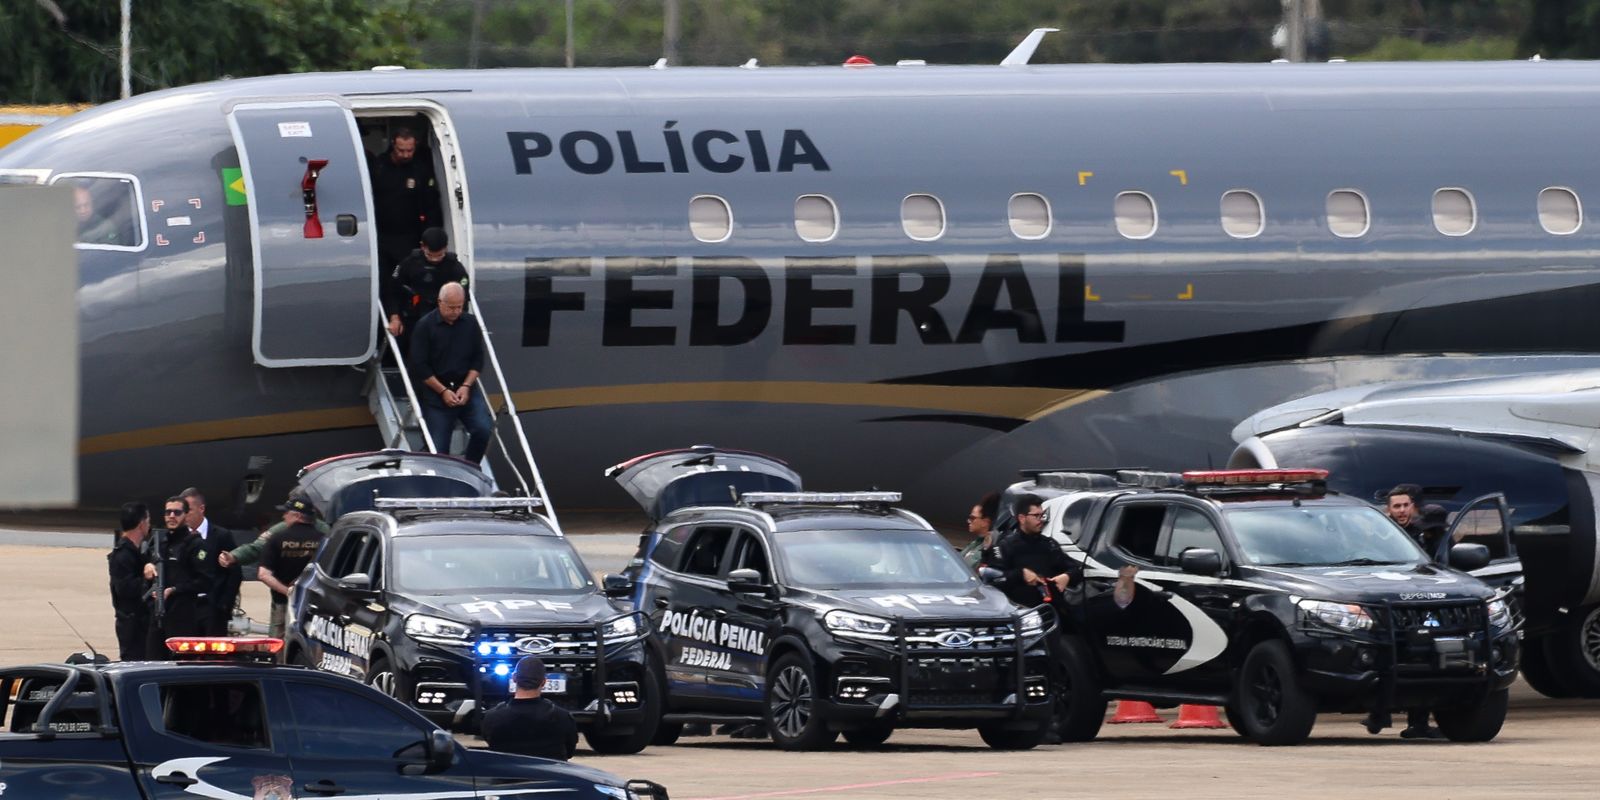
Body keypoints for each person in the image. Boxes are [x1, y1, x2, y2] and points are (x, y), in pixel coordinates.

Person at [1368, 482, 1446, 739]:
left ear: (1414, 507)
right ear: (1388, 510)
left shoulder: (1428, 533)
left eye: (1405, 505)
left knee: (1424, 659)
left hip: (1424, 608)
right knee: (1384, 657)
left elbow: (1443, 562)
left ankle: (1418, 723)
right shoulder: (1381, 537)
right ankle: (1378, 713)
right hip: (1391, 607)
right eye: (1396, 506)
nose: (1401, 511)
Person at [410, 282, 493, 463]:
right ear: (440, 302)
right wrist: (443, 391)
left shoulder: (470, 324)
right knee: (439, 449)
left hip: (465, 388)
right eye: (451, 307)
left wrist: (466, 386)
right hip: (437, 394)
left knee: (483, 429)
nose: (455, 311)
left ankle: (471, 465)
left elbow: (478, 359)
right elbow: (420, 366)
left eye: (459, 307)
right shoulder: (424, 327)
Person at [141, 496, 218, 642]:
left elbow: (205, 581)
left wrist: (175, 590)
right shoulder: (160, 544)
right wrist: (148, 570)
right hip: (158, 616)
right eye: (168, 512)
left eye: (177, 512)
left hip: (182, 617)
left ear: (186, 515)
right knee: (153, 659)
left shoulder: (195, 545)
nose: (171, 516)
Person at [371, 127, 441, 280]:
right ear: (393, 145)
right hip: (381, 235)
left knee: (407, 280)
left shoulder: (420, 170)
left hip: (409, 237)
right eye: (401, 150)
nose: (405, 155)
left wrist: (430, 237)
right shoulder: (378, 167)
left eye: (410, 150)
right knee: (383, 280)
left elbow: (431, 205)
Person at [988, 494, 1077, 609]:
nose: (1041, 520)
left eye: (1042, 515)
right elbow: (993, 579)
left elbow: (1075, 569)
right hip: (1020, 612)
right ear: (1022, 518)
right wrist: (1020, 574)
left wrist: (1066, 577)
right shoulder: (1005, 546)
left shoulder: (1049, 544)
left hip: (1049, 612)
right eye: (1036, 516)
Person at [481, 656, 579, 761]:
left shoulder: (492, 717)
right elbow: (569, 751)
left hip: (507, 775)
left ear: (514, 678)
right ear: (544, 682)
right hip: (549, 776)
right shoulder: (563, 717)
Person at [258, 491, 326, 639]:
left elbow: (263, 574)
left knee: (279, 646)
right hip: (315, 608)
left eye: (287, 513)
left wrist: (288, 591)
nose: (284, 516)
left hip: (283, 605)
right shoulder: (325, 540)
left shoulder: (276, 539)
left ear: (297, 516)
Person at [385, 226, 470, 339]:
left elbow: (463, 300)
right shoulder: (409, 263)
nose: (434, 260)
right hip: (414, 316)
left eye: (439, 256)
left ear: (445, 248)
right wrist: (394, 317)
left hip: (444, 319)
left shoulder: (455, 268)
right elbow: (393, 290)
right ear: (422, 246)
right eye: (430, 255)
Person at [180, 487, 241, 635]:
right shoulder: (179, 537)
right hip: (186, 608)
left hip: (213, 607)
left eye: (189, 510)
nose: (185, 515)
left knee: (214, 654)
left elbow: (235, 573)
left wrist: (225, 604)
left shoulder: (221, 536)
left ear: (201, 508)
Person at [108, 502, 152, 661]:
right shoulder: (123, 555)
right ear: (141, 524)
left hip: (140, 622)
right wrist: (146, 579)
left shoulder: (137, 552)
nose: (149, 525)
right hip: (131, 624)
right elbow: (124, 588)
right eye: (148, 520)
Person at [959, 491, 1001, 568]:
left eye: (972, 518)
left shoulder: (991, 549)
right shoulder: (974, 543)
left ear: (985, 522)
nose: (968, 521)